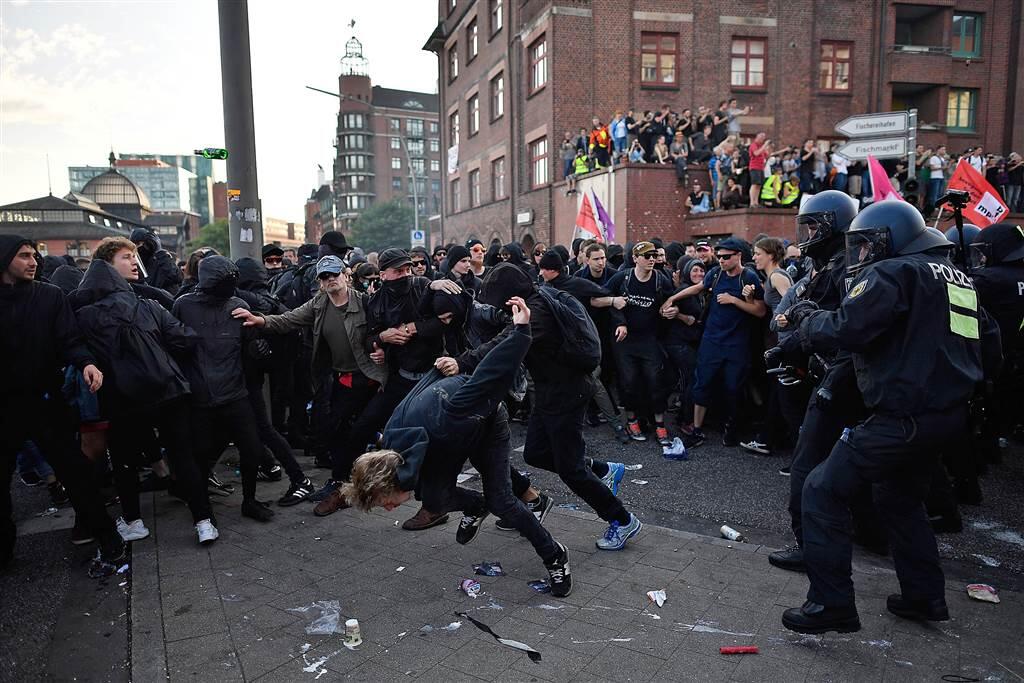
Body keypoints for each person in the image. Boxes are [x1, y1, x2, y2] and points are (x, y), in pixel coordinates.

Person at [778, 200, 992, 634]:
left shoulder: (894, 271)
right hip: (947, 416)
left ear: (890, 238)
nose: (861, 255)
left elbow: (846, 328)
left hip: (904, 415)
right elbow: (990, 341)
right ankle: (924, 596)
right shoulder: (958, 279)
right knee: (899, 498)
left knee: (822, 490)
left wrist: (806, 319)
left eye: (867, 244)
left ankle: (831, 603)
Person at [344, 297, 572, 596]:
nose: (388, 508)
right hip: (452, 438)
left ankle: (555, 555)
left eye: (383, 500)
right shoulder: (393, 441)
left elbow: (490, 373)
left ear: (390, 479)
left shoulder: (442, 417)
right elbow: (421, 387)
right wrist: (437, 370)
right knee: (432, 497)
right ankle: (475, 506)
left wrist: (521, 331)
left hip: (485, 422)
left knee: (501, 501)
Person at [448, 263, 642, 551]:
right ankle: (603, 470)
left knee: (571, 470)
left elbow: (503, 344)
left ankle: (622, 520)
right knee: (536, 453)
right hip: (552, 392)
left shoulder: (536, 314)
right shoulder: (536, 298)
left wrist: (461, 362)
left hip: (568, 393)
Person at [1, 236, 123, 567]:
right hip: (5, 408)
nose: (33, 262)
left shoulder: (49, 296)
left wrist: (86, 363)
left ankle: (108, 539)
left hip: (45, 402)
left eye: (34, 255)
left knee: (77, 473)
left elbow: (69, 339)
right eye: (23, 256)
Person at [234, 255, 387, 514]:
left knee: (362, 431)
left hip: (371, 379)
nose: (330, 280)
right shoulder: (319, 304)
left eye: (334, 274)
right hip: (342, 380)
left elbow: (384, 326)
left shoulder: (365, 302)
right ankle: (341, 482)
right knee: (336, 431)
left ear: (346, 275)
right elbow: (289, 319)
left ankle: (367, 482)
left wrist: (382, 349)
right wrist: (261, 320)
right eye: (325, 276)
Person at [174, 256, 297, 523]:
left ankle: (250, 501)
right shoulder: (184, 305)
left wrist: (258, 350)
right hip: (201, 396)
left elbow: (251, 345)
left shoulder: (238, 306)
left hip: (235, 392)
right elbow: (175, 346)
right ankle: (203, 511)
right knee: (202, 454)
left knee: (252, 449)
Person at [663, 237, 766, 447]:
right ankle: (697, 430)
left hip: (737, 343)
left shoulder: (749, 277)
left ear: (738, 256)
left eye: (726, 257)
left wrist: (734, 300)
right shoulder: (716, 273)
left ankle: (731, 427)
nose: (721, 260)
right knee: (702, 383)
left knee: (733, 387)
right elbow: (697, 288)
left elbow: (760, 311)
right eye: (719, 257)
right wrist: (672, 298)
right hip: (712, 340)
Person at [606, 242, 675, 445]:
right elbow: (599, 298)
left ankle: (660, 424)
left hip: (649, 339)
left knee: (656, 381)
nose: (651, 259)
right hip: (625, 341)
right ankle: (632, 420)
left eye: (653, 255)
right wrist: (617, 312)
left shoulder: (660, 280)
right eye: (646, 256)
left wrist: (672, 310)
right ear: (635, 259)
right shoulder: (623, 277)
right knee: (629, 382)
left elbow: (673, 300)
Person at [130, 227, 183, 295]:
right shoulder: (135, 263)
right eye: (136, 244)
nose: (140, 247)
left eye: (142, 243)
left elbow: (176, 277)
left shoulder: (162, 259)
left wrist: (160, 252)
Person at [748, 132, 769, 207]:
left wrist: (767, 149)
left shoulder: (762, 146)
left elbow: (767, 155)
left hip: (761, 168)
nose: (762, 138)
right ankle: (752, 202)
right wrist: (764, 146)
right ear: (757, 137)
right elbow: (756, 153)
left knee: (759, 185)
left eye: (764, 136)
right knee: (754, 184)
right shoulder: (753, 145)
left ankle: (756, 202)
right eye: (761, 136)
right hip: (754, 167)